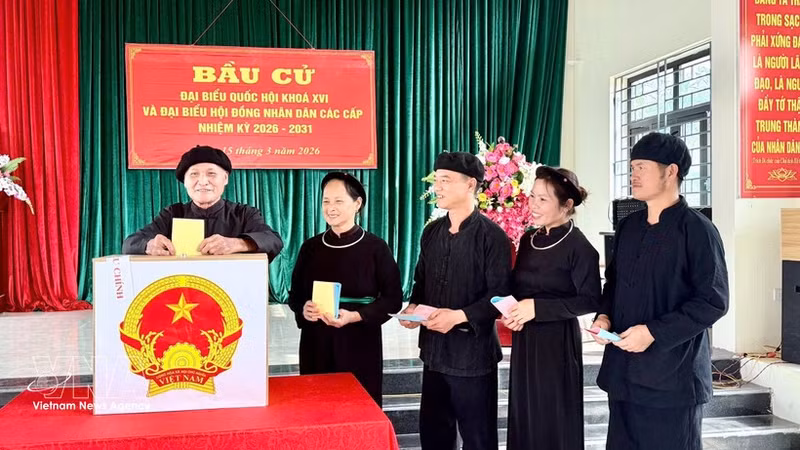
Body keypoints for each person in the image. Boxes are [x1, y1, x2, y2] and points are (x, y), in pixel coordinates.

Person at [590, 132, 729, 449]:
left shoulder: (698, 230)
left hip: (672, 377)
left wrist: (653, 332)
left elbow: (713, 301)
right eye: (632, 167)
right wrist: (604, 317)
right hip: (623, 374)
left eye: (642, 167)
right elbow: (614, 283)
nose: (633, 175)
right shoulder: (629, 227)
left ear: (671, 171)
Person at [400, 151, 511, 450]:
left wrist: (459, 316)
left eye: (446, 180)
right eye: (436, 180)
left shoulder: (492, 236)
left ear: (470, 184)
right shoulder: (431, 232)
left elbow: (500, 297)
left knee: (478, 438)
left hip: (472, 356)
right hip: (434, 352)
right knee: (434, 433)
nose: (437, 187)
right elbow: (420, 283)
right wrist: (413, 308)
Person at [503, 166, 601, 450]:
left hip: (557, 343)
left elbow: (589, 300)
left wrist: (538, 309)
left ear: (566, 204)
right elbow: (519, 289)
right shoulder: (528, 240)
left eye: (543, 199)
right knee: (525, 411)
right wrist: (511, 312)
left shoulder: (579, 247)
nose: (533, 205)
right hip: (525, 339)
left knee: (553, 414)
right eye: (532, 196)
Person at [288, 172, 403, 406]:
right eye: (326, 201)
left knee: (358, 406)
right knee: (316, 405)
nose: (330, 208)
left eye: (338, 201)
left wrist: (355, 316)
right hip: (316, 341)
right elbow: (296, 295)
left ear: (357, 204)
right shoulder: (310, 247)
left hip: (359, 341)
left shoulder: (376, 248)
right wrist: (304, 308)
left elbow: (393, 299)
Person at [122, 145, 283, 260]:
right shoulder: (172, 214)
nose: (203, 181)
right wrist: (149, 245)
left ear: (225, 179)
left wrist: (237, 244)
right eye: (194, 174)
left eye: (211, 174)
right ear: (184, 182)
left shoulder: (244, 214)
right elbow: (129, 244)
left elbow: (273, 241)